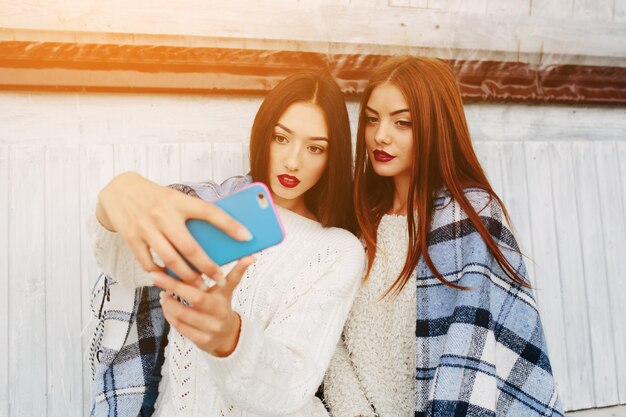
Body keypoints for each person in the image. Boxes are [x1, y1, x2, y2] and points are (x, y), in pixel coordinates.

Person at [88, 70, 365, 417]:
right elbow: (127, 267)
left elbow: (292, 386)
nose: (294, 160)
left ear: (332, 156)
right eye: (281, 138)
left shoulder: (337, 250)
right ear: (263, 135)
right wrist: (114, 197)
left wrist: (230, 338)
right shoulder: (210, 209)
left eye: (314, 147)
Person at [323, 56, 564, 417]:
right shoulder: (353, 215)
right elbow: (327, 331)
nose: (380, 135)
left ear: (436, 126)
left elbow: (475, 343)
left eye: (402, 122)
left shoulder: (469, 217)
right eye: (372, 119)